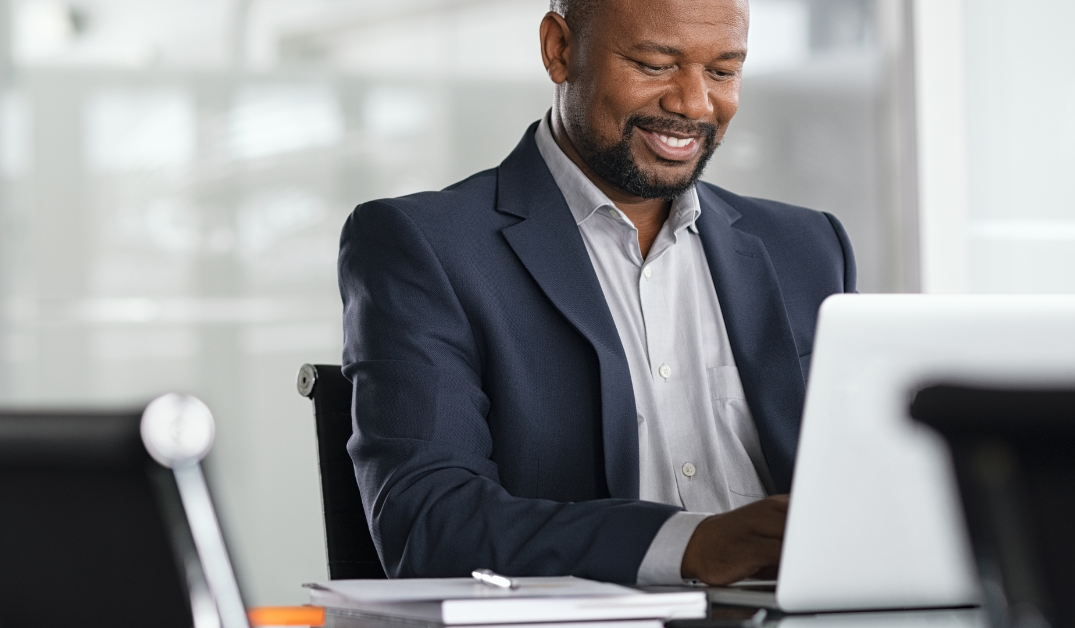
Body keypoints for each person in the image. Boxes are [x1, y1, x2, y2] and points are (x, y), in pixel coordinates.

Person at [338, 0, 856, 586]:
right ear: (560, 50)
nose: (692, 103)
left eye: (722, 72)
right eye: (654, 65)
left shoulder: (809, 247)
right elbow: (431, 524)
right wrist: (693, 544)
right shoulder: (426, 246)